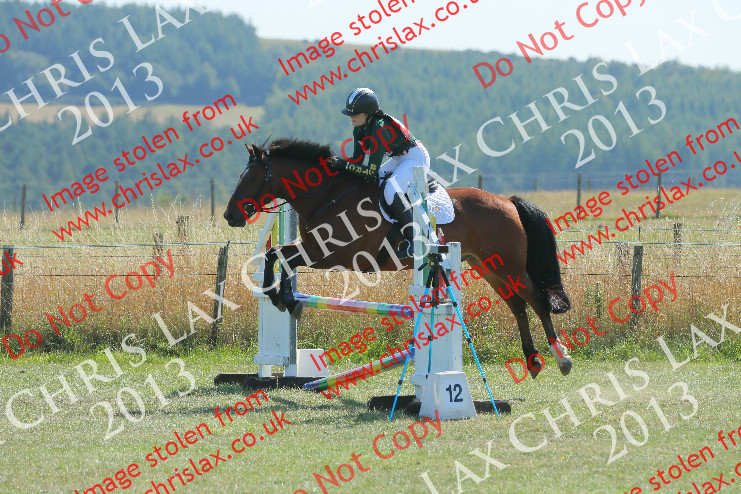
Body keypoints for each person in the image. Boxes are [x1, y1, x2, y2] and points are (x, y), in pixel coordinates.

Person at [338, 87, 430, 259]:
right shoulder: (359, 128)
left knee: (390, 190)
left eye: (355, 113)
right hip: (399, 158)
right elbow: (357, 160)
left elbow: (370, 171)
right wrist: (336, 165)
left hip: (416, 158)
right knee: (373, 184)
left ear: (368, 113)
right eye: (350, 113)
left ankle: (416, 241)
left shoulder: (379, 128)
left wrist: (344, 166)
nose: (351, 116)